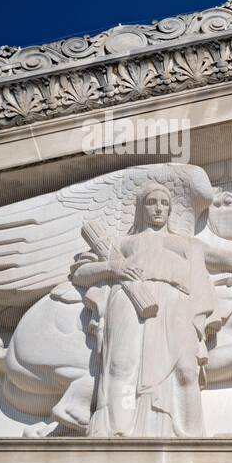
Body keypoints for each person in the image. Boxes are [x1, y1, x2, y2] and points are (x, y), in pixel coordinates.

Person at [72, 184, 217, 436]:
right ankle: (116, 431)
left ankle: (192, 435)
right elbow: (80, 274)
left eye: (164, 203)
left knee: (185, 370)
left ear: (171, 210)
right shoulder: (122, 244)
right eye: (152, 202)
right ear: (142, 208)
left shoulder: (186, 244)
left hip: (175, 303)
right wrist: (113, 268)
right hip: (129, 299)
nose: (159, 208)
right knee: (121, 366)